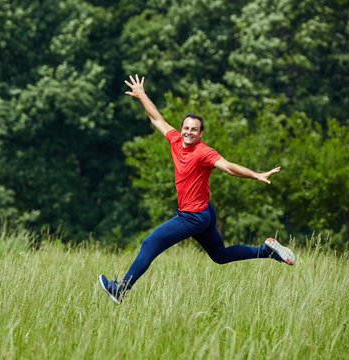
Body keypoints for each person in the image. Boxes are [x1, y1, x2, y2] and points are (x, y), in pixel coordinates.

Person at [99, 74, 295, 304]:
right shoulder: (175, 140)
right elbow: (156, 119)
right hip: (205, 212)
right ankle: (268, 251)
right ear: (181, 129)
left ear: (201, 133)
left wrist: (256, 174)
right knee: (220, 256)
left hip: (193, 216)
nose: (189, 132)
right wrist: (142, 95)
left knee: (150, 243)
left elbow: (228, 167)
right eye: (186, 128)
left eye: (194, 130)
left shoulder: (203, 152)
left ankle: (121, 289)